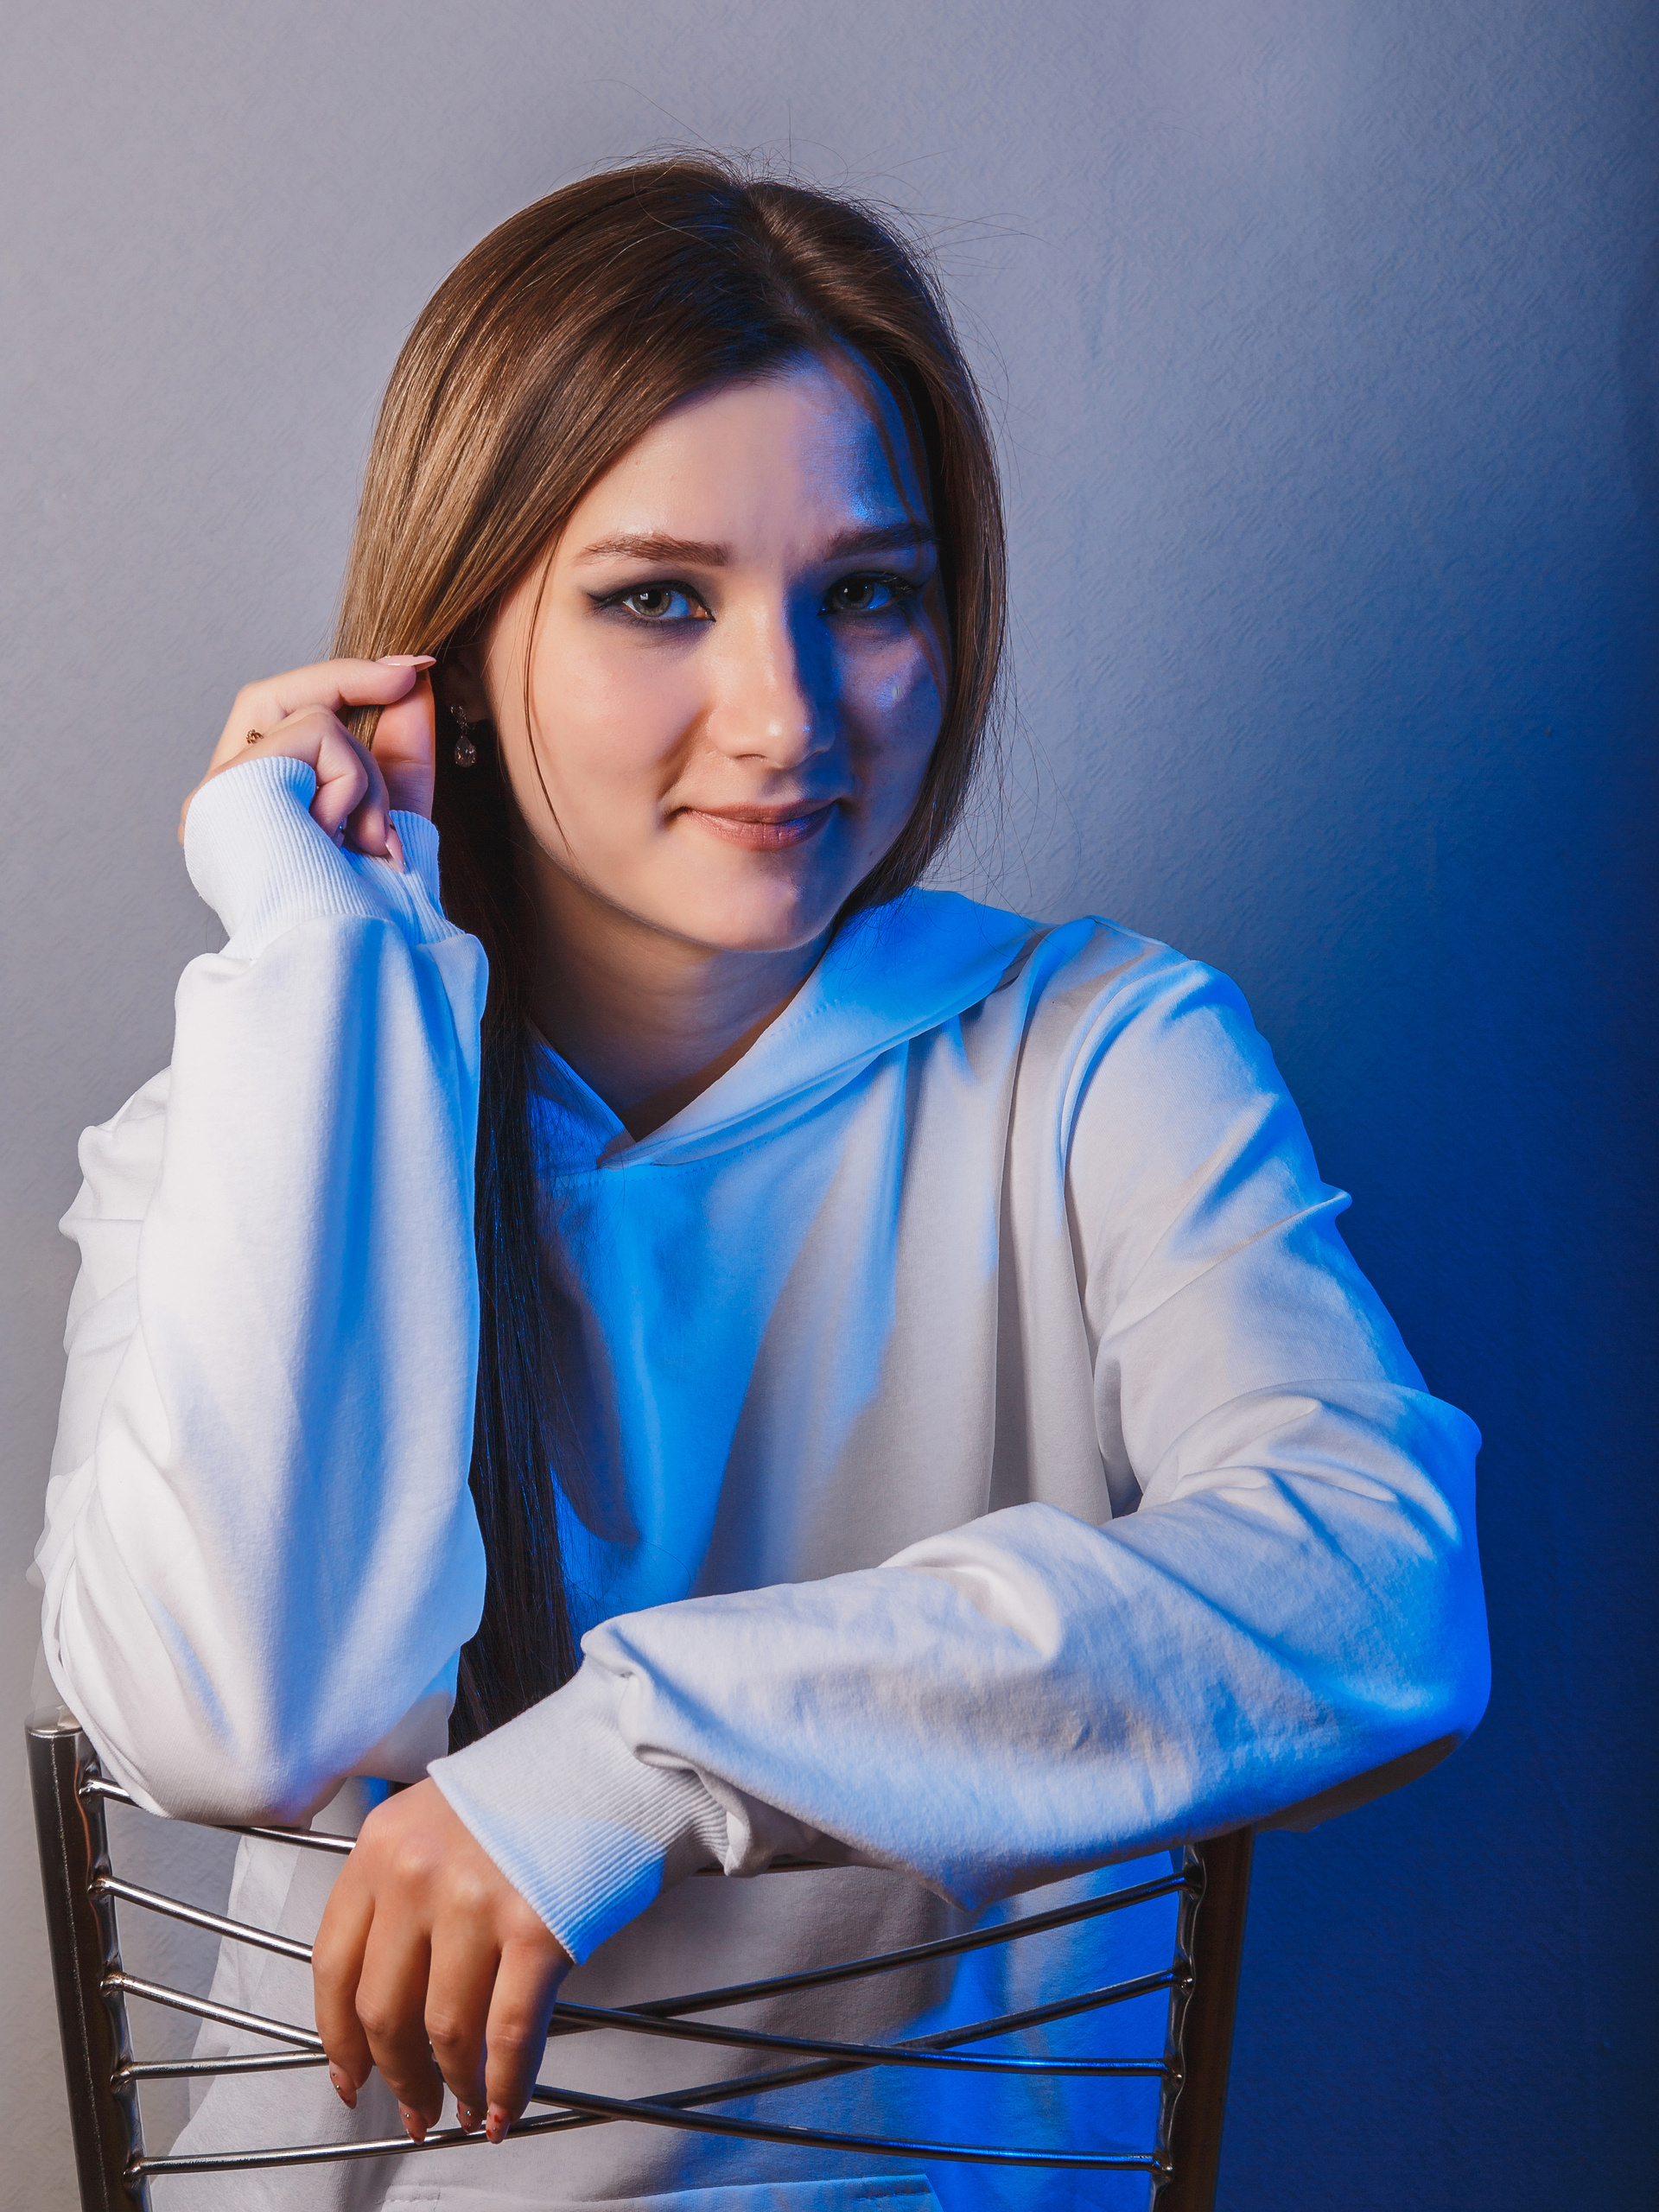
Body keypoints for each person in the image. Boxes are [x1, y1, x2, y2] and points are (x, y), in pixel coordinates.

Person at [32, 158, 1489, 2210]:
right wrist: (322, 957)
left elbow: (1378, 1578)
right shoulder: (262, 1100)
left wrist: (636, 1754)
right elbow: (241, 1723)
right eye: (658, 598)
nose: (788, 713)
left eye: (866, 593)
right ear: (455, 645)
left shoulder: (1095, 1054)